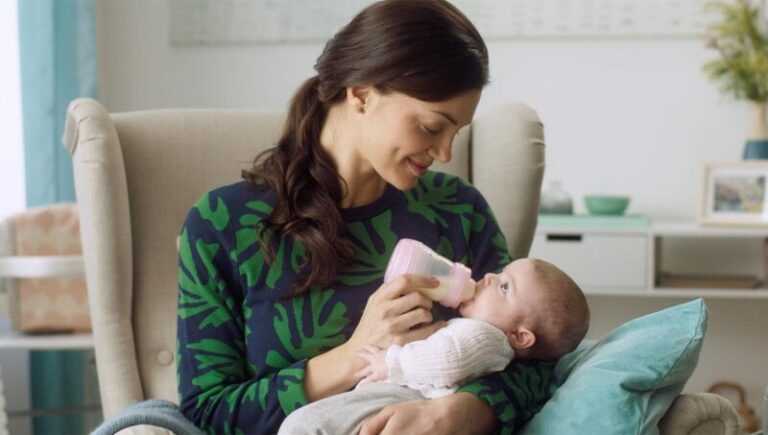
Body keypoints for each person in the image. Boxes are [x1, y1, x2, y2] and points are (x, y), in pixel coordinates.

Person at [176, 1, 556, 433]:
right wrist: (358, 352)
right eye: (433, 127)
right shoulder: (222, 225)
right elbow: (207, 413)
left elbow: (536, 358)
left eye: (456, 134)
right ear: (361, 94)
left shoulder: (458, 209)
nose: (446, 154)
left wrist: (458, 413)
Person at [277, 258, 590, 434]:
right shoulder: (482, 331)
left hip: (408, 397)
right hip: (399, 399)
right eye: (501, 272)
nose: (491, 277)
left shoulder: (484, 336)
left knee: (304, 426)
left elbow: (447, 363)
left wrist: (392, 361)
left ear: (520, 337)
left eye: (506, 286)